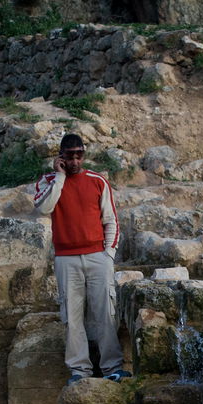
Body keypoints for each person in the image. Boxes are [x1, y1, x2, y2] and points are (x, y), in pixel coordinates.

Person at [32, 133, 130, 383]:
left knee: (105, 312)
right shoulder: (48, 181)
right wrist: (61, 177)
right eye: (69, 155)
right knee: (71, 315)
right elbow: (44, 208)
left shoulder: (98, 181)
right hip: (66, 258)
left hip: (98, 255)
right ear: (61, 156)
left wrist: (108, 254)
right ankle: (79, 370)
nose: (75, 160)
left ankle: (112, 367)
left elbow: (111, 220)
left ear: (84, 155)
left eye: (79, 155)